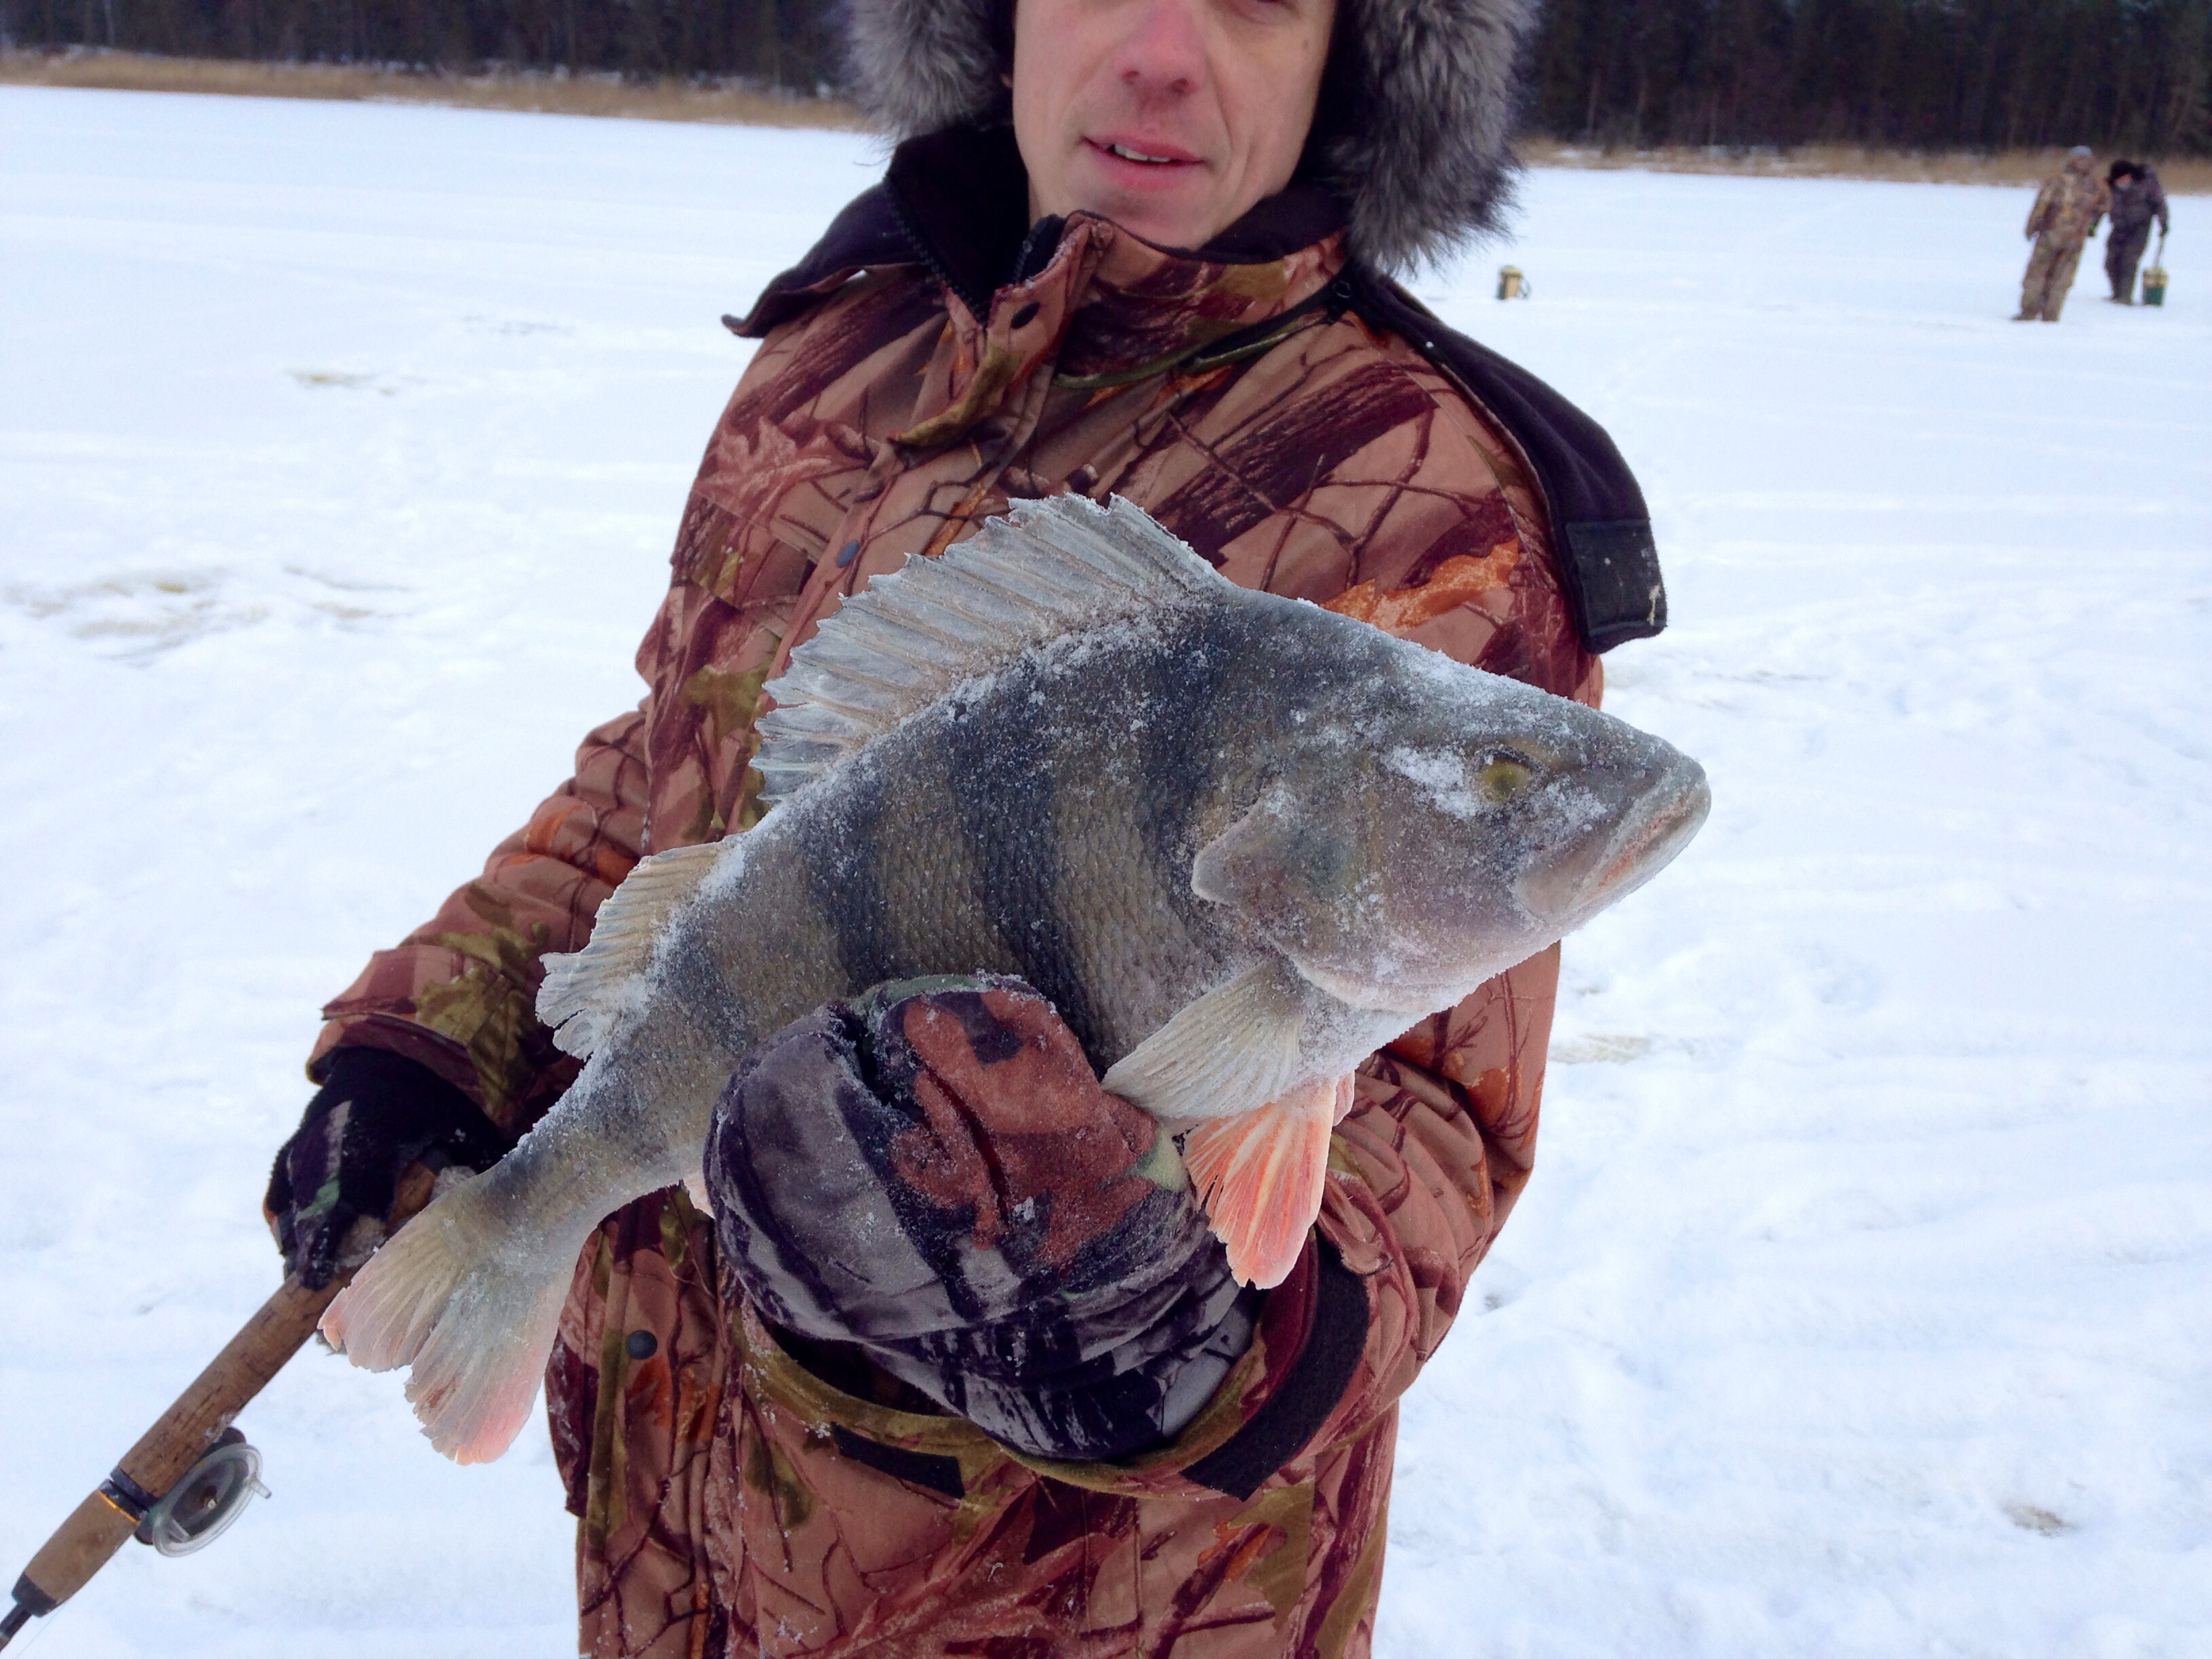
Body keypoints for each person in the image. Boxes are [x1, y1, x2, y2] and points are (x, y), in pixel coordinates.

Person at [263, 0, 1669, 1652]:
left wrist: (1185, 1340)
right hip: (671, 1529)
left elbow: (1429, 1117)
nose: (1160, 54)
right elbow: (666, 775)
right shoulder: (837, 357)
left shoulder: (1431, 491)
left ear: (1353, 50)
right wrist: (428, 1041)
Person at [2015, 146, 2112, 322]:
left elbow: (2041, 206)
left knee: (2037, 272)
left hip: (2050, 235)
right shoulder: (2097, 184)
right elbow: (2105, 206)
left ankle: (2028, 312)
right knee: (2062, 278)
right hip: (2076, 239)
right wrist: (2091, 224)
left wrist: (2031, 228)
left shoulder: (2057, 180)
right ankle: (2051, 315)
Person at [2102, 159, 2170, 304]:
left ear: (2131, 175)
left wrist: (2163, 223)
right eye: (2119, 179)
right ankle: (2117, 293)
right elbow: (2101, 205)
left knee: (2129, 260)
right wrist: (2092, 225)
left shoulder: (2146, 184)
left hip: (2140, 228)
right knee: (2111, 262)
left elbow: (2160, 203)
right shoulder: (2110, 188)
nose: (2122, 181)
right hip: (2119, 227)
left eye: (2124, 177)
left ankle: (2125, 296)